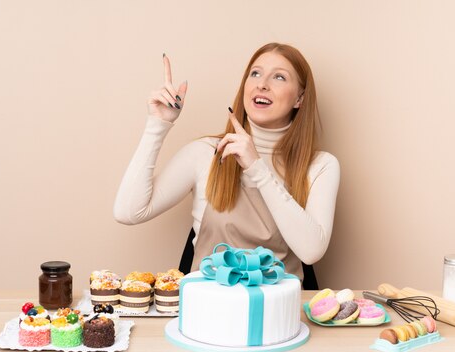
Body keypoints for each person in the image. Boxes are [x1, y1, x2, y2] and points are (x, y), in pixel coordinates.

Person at [113, 43, 340, 281]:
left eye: (279, 77)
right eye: (255, 73)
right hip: (208, 310)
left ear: (299, 99)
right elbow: (128, 212)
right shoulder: (205, 153)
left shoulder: (321, 166)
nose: (262, 84)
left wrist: (257, 168)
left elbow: (311, 251)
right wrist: (157, 125)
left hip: (278, 313)